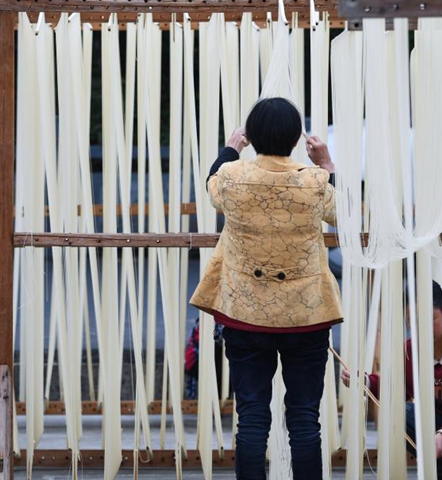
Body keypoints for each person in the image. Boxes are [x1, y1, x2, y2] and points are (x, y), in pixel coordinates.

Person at [190, 97, 342, 480]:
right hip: (306, 316)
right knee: (305, 420)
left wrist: (230, 148)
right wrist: (326, 162)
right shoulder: (314, 181)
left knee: (252, 418)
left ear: (252, 137)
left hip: (245, 315)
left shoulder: (232, 177)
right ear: (296, 140)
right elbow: (345, 212)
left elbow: (211, 188)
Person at [341, 280, 442, 480]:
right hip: (437, 428)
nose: (421, 329)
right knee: (400, 412)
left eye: (429, 319)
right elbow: (395, 386)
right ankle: (440, 470)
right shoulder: (409, 351)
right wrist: (365, 381)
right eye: (412, 322)